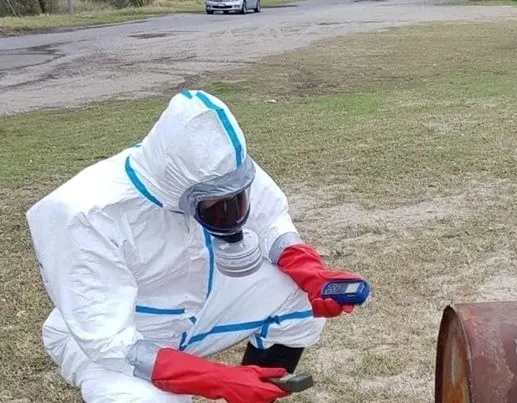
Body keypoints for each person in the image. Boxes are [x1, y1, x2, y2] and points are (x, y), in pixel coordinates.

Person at [26, 89, 366, 403]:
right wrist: (216, 379)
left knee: (299, 301)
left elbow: (270, 220)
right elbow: (111, 344)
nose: (232, 213)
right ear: (180, 188)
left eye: (237, 198)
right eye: (217, 206)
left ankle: (258, 391)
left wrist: (310, 273)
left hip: (195, 311)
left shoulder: (220, 167)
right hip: (117, 338)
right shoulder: (84, 214)